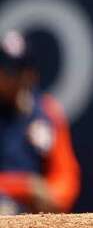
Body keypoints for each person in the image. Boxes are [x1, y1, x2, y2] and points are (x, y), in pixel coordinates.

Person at [0, 32, 80, 215]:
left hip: (32, 215)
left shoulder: (47, 112)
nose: (3, 77)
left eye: (11, 71)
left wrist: (52, 196)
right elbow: (29, 187)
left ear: (29, 75)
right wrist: (25, 187)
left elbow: (66, 177)